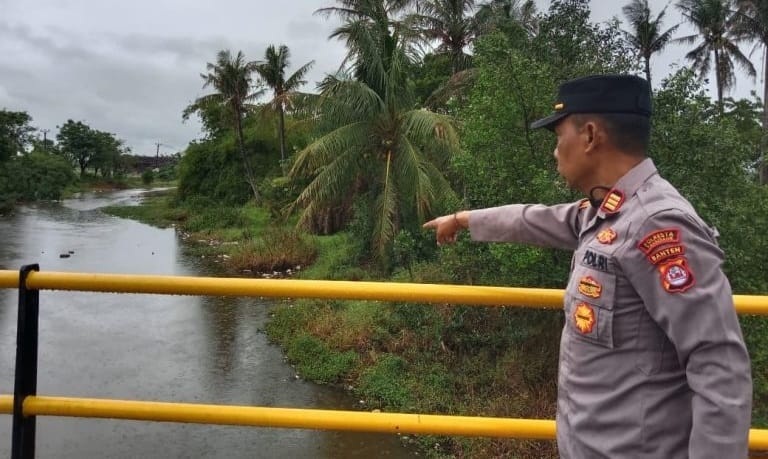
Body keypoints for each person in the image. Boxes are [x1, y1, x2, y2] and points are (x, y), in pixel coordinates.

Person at [423, 74, 752, 458]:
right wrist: (464, 219)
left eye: (559, 136)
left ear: (591, 135)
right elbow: (539, 219)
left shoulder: (658, 224)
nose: (555, 151)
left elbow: (719, 364)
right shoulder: (609, 212)